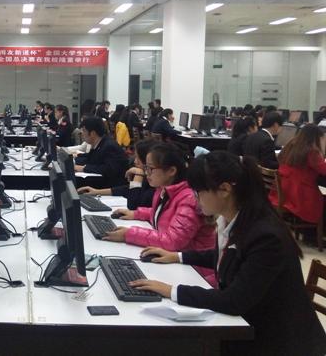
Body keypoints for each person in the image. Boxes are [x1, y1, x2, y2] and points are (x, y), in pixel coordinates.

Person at [130, 151, 326, 356]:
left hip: (275, 341)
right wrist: (178, 257)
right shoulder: (235, 218)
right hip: (248, 327)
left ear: (224, 189)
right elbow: (227, 257)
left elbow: (233, 301)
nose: (195, 199)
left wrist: (171, 290)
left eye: (199, 192)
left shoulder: (266, 236)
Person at [102, 142, 216, 283]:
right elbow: (165, 214)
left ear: (171, 171)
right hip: (178, 264)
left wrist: (129, 234)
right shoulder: (164, 189)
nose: (146, 173)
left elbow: (173, 241)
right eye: (145, 168)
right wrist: (137, 214)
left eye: (150, 169)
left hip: (197, 274)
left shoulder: (188, 198)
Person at [269, 124, 326, 224]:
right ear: (316, 138)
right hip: (301, 197)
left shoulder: (290, 146)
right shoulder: (311, 152)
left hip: (285, 192)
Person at [78, 139, 157, 210]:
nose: (135, 161)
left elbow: (132, 204)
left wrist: (138, 175)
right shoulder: (145, 179)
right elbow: (127, 189)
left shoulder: (154, 185)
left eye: (137, 158)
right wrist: (97, 191)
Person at [74, 117, 128, 187]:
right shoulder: (99, 143)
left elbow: (107, 169)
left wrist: (83, 168)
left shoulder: (109, 146)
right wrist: (73, 160)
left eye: (84, 131)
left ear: (93, 133)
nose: (82, 134)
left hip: (111, 185)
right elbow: (90, 158)